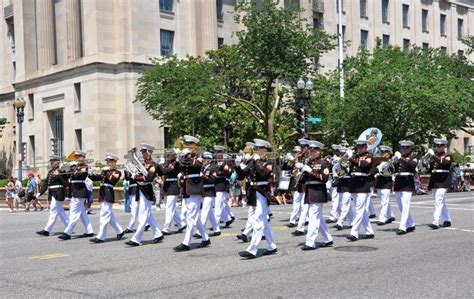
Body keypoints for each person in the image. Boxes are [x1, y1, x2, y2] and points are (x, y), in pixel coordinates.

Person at [235, 138, 277, 259]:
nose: (256, 151)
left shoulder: (269, 163)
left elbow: (263, 173)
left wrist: (257, 160)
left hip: (263, 192)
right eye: (256, 149)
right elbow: (242, 175)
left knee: (258, 220)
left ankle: (252, 249)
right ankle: (272, 246)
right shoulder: (254, 161)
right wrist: (238, 166)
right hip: (254, 192)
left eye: (258, 149)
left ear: (264, 150)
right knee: (263, 221)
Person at [173, 135, 210, 251]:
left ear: (194, 146)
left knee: (191, 217)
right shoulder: (184, 157)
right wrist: (179, 157)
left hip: (195, 188)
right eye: (186, 145)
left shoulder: (198, 158)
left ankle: (186, 242)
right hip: (187, 188)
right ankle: (205, 238)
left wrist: (186, 156)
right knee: (194, 216)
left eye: (189, 145)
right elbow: (176, 170)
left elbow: (195, 167)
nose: (187, 147)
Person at [125, 144, 164, 246]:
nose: (142, 154)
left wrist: (135, 176)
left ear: (149, 152)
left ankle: (136, 239)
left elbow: (149, 178)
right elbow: (137, 175)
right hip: (141, 190)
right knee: (148, 215)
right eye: (141, 152)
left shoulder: (153, 165)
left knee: (143, 215)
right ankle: (158, 234)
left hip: (147, 191)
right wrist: (132, 172)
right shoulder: (144, 164)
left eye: (143, 152)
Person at [299, 141, 333, 250]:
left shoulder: (324, 163)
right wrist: (302, 172)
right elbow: (304, 179)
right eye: (311, 151)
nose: (312, 153)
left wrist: (310, 171)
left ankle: (310, 242)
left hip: (318, 191)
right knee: (318, 217)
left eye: (315, 151)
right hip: (310, 191)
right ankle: (328, 238)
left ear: (320, 151)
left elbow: (324, 178)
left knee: (313, 217)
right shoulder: (310, 163)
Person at [58, 150, 94, 240]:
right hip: (74, 191)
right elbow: (65, 177)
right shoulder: (74, 166)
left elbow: (80, 176)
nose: (77, 158)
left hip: (80, 191)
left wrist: (75, 169)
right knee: (82, 213)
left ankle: (67, 232)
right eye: (76, 157)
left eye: (78, 157)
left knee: (74, 213)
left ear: (83, 157)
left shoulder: (85, 167)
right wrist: (63, 169)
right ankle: (89, 231)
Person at [89, 154, 125, 243]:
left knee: (104, 216)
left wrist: (107, 171)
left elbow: (111, 180)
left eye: (110, 161)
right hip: (102, 194)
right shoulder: (105, 171)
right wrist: (89, 173)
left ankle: (101, 237)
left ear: (114, 162)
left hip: (108, 193)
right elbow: (96, 178)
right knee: (109, 216)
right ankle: (120, 231)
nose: (108, 163)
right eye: (107, 161)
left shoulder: (117, 172)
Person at [346, 139, 375, 241]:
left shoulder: (369, 156)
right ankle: (369, 231)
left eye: (361, 147)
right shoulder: (356, 157)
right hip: (354, 184)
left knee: (359, 210)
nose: (359, 149)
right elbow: (350, 171)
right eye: (358, 147)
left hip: (363, 184)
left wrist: (350, 158)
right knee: (361, 210)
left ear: (366, 147)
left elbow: (363, 165)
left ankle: (354, 233)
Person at [36, 155, 69, 236]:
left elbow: (66, 181)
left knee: (53, 211)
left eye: (53, 162)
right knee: (61, 212)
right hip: (52, 193)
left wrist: (62, 171)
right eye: (51, 162)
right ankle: (69, 227)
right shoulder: (50, 172)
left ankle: (46, 230)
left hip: (58, 192)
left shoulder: (61, 171)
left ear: (57, 163)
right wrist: (39, 192)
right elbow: (46, 183)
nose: (51, 164)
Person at [158, 149, 186, 235]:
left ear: (174, 155)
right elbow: (161, 173)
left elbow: (165, 171)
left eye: (170, 155)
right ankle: (181, 224)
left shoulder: (176, 164)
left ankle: (166, 228)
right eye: (167, 155)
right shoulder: (167, 164)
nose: (168, 157)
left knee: (169, 209)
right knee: (172, 209)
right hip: (167, 187)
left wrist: (160, 166)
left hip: (173, 188)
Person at [392, 140, 417, 235]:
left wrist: (400, 158)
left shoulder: (413, 157)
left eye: (406, 147)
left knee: (405, 206)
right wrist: (392, 161)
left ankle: (403, 227)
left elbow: (412, 166)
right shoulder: (399, 158)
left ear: (410, 148)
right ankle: (411, 224)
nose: (404, 149)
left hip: (407, 183)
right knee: (401, 206)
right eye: (403, 147)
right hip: (398, 183)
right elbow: (393, 169)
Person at [428, 139, 452, 229]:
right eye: (437, 145)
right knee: (441, 201)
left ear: (445, 146)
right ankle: (447, 219)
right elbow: (429, 169)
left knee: (438, 201)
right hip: (435, 181)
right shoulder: (434, 157)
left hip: (443, 181)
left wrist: (433, 156)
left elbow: (444, 163)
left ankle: (435, 222)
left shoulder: (448, 156)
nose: (439, 147)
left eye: (441, 145)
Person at [333, 146, 354, 230]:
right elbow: (336, 171)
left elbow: (348, 171)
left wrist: (349, 158)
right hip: (341, 183)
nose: (342, 155)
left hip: (348, 183)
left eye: (343, 154)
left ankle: (340, 222)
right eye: (341, 153)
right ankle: (352, 221)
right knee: (343, 204)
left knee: (345, 203)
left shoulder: (350, 162)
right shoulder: (339, 161)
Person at [374, 146, 396, 225]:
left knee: (384, 201)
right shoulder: (379, 161)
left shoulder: (390, 162)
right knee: (383, 200)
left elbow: (392, 171)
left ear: (389, 154)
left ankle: (382, 218)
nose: (383, 154)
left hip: (386, 182)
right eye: (382, 152)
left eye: (385, 152)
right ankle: (390, 215)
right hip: (379, 182)